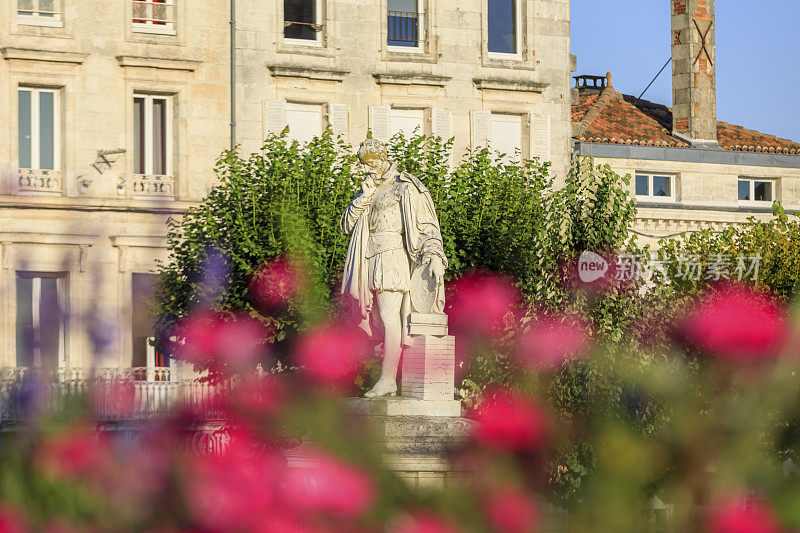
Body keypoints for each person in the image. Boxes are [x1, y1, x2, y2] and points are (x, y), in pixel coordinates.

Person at [340, 139, 447, 398]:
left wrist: (433, 254)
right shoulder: (368, 189)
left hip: (393, 257)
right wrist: (364, 195)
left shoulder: (404, 186)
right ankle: (386, 374)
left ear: (382, 158)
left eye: (371, 163)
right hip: (369, 259)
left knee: (390, 318)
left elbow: (426, 225)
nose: (368, 169)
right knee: (376, 320)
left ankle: (387, 379)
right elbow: (346, 225)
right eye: (364, 165)